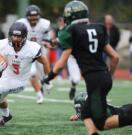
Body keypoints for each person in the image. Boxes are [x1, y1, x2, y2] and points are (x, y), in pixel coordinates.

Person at [42, 1, 120, 135]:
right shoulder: (99, 28)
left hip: (93, 79)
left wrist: (48, 77)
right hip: (105, 77)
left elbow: (61, 64)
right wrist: (110, 74)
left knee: (101, 119)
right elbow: (115, 57)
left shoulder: (70, 31)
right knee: (87, 113)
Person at [0, 22, 51, 126]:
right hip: (6, 77)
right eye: (13, 35)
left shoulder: (32, 48)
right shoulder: (4, 44)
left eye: (18, 36)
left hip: (20, 81)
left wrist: (47, 79)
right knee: (0, 98)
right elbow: (0, 56)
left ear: (24, 36)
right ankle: (6, 115)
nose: (15, 38)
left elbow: (45, 61)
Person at [17, 5, 51, 104]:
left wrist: (47, 42)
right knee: (31, 74)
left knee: (43, 75)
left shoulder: (44, 24)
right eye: (31, 17)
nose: (33, 19)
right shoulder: (21, 24)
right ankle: (39, 94)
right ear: (27, 17)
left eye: (35, 16)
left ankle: (46, 81)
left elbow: (46, 38)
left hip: (40, 51)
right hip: (27, 52)